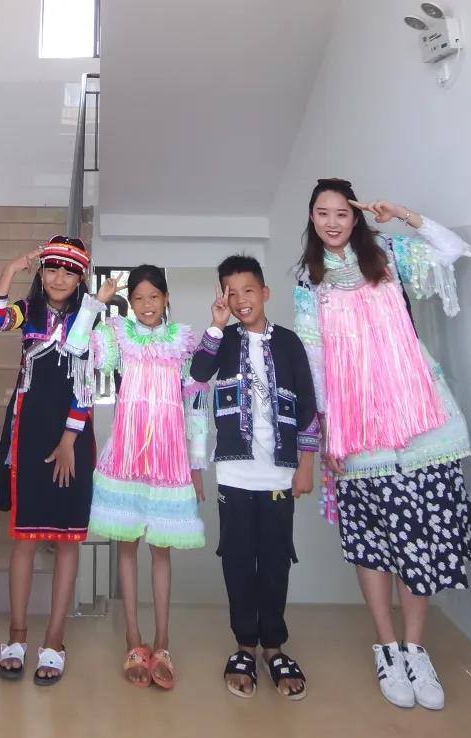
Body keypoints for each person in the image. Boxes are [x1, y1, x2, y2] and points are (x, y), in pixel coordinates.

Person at [293, 178, 471, 710]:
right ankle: (387, 648)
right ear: (311, 218)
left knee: (418, 535)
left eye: (341, 213)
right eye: (322, 213)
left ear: (356, 217)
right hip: (357, 427)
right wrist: (327, 426)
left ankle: (416, 650)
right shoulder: (309, 278)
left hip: (419, 419)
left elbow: (453, 249)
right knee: (371, 541)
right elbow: (313, 355)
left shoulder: (390, 254)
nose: (332, 222)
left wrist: (405, 214)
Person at [64, 264, 207, 690]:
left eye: (154, 297)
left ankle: (162, 642)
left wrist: (197, 464)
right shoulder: (118, 335)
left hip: (169, 461)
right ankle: (132, 638)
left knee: (162, 552)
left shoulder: (183, 341)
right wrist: (96, 303)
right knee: (126, 549)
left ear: (166, 299)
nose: (146, 305)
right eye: (139, 298)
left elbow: (196, 405)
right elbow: (75, 346)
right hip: (127, 458)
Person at [191, 254, 319, 700]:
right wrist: (215, 325)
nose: (240, 299)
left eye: (248, 290)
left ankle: (274, 647)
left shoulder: (289, 343)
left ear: (265, 293)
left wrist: (306, 465)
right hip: (234, 472)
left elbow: (308, 405)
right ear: (223, 297)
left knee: (276, 560)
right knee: (238, 559)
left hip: (279, 474)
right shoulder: (223, 341)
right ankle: (245, 645)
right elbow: (198, 373)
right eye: (231, 292)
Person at [0, 236, 95, 686]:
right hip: (28, 432)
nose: (59, 278)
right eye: (52, 269)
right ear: (42, 272)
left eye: (69, 272)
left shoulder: (91, 317)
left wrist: (69, 439)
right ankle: (16, 636)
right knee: (25, 539)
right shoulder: (28, 312)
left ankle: (54, 639)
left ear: (80, 278)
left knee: (67, 539)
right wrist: (9, 271)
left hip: (73, 436)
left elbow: (87, 383)